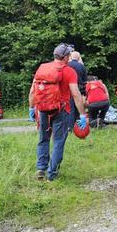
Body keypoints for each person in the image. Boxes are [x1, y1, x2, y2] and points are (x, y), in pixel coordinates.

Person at [29, 43, 87, 181]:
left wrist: (31, 108)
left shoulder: (42, 68)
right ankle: (52, 174)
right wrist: (83, 114)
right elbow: (76, 95)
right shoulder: (69, 71)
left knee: (43, 139)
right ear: (66, 57)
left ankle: (41, 169)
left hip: (42, 109)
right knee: (58, 141)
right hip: (61, 110)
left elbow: (32, 90)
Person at [67, 51, 88, 127]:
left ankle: (70, 126)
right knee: (79, 106)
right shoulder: (82, 66)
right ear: (79, 58)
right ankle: (78, 124)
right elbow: (85, 80)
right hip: (79, 88)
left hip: (68, 88)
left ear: (71, 57)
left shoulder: (67, 65)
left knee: (71, 107)